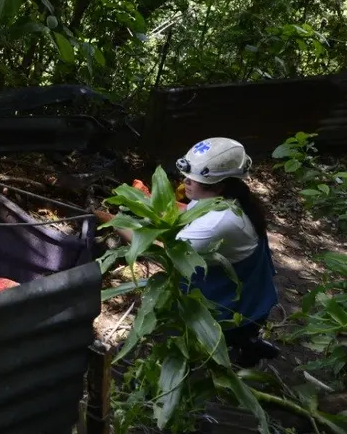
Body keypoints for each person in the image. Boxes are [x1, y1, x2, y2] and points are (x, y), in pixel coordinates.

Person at [102, 137, 280, 367]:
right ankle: (249, 345)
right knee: (232, 336)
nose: (185, 181)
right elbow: (188, 211)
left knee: (214, 343)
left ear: (220, 184)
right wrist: (149, 205)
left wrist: (115, 223)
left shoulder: (219, 220)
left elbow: (166, 252)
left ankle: (244, 354)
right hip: (241, 284)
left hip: (236, 302)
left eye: (194, 180)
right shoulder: (226, 197)